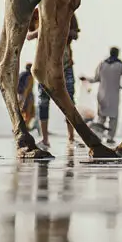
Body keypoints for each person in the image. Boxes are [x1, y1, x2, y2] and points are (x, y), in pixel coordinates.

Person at [81, 47, 122, 145]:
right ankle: (110, 138)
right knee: (113, 118)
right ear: (117, 54)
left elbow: (95, 79)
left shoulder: (102, 64)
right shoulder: (119, 65)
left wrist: (85, 79)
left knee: (101, 117)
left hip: (102, 95)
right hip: (113, 96)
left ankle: (98, 136)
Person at [35, 15, 81, 149]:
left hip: (64, 64)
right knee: (43, 102)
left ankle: (71, 137)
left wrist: (63, 30)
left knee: (69, 100)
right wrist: (44, 30)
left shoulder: (68, 11)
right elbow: (29, 35)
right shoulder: (39, 13)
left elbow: (75, 34)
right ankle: (45, 139)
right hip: (44, 65)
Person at [17, 62, 37, 132]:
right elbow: (27, 88)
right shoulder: (29, 76)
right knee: (30, 112)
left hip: (21, 96)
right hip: (27, 97)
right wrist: (24, 99)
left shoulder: (22, 74)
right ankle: (25, 127)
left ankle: (23, 126)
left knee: (23, 112)